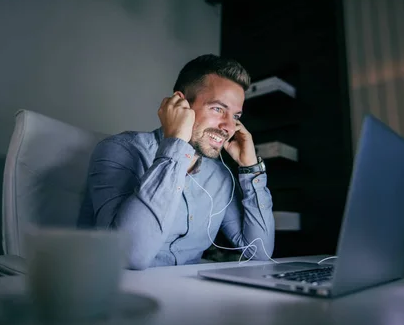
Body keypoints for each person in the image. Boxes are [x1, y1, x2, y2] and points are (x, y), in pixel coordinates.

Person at [77, 54, 275, 270]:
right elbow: (129, 256)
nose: (228, 127)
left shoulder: (220, 177)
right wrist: (176, 144)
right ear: (180, 103)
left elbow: (260, 252)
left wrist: (251, 169)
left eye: (236, 116)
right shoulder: (120, 150)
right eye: (218, 109)